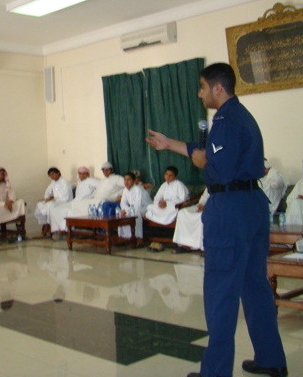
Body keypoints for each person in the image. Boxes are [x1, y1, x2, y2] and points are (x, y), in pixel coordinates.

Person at [145, 62, 287, 377]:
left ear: (217, 88)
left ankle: (216, 372)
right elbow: (208, 152)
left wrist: (201, 161)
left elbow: (217, 167)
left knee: (221, 292)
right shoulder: (241, 116)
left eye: (202, 87)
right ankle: (271, 358)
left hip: (230, 208)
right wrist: (170, 144)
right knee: (255, 285)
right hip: (252, 205)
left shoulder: (225, 120)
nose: (200, 93)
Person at [48, 166, 99, 236]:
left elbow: (100, 187)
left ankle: (66, 230)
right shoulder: (79, 181)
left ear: (88, 174)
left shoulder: (92, 181)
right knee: (56, 210)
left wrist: (93, 195)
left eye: (84, 174)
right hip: (75, 201)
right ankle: (58, 230)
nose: (82, 175)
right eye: (80, 174)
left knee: (67, 211)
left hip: (84, 202)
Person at [0, 167, 26, 231]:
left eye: (2, 174)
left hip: (8, 205)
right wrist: (4, 204)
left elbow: (12, 196)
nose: (0, 176)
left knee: (21, 201)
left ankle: (20, 227)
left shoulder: (6, 184)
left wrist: (10, 201)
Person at [34, 168, 73, 237]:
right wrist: (47, 198)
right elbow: (47, 192)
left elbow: (66, 197)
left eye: (53, 174)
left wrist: (53, 199)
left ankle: (52, 227)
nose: (52, 176)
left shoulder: (65, 183)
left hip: (64, 202)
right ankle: (45, 224)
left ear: (58, 173)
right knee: (40, 204)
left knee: (50, 205)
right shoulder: (53, 183)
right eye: (50, 175)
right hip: (56, 201)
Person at [172, 188, 210, 254]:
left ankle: (203, 247)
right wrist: (201, 204)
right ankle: (185, 245)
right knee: (182, 213)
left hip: (212, 208)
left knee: (201, 216)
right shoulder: (210, 186)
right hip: (202, 206)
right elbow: (204, 197)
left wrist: (206, 207)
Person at [117, 171, 152, 242]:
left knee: (136, 214)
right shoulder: (125, 190)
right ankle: (125, 237)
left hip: (146, 208)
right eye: (125, 179)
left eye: (129, 179)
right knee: (122, 214)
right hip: (134, 208)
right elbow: (123, 203)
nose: (126, 182)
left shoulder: (138, 190)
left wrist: (126, 210)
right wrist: (125, 210)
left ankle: (138, 238)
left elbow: (138, 205)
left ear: (134, 181)